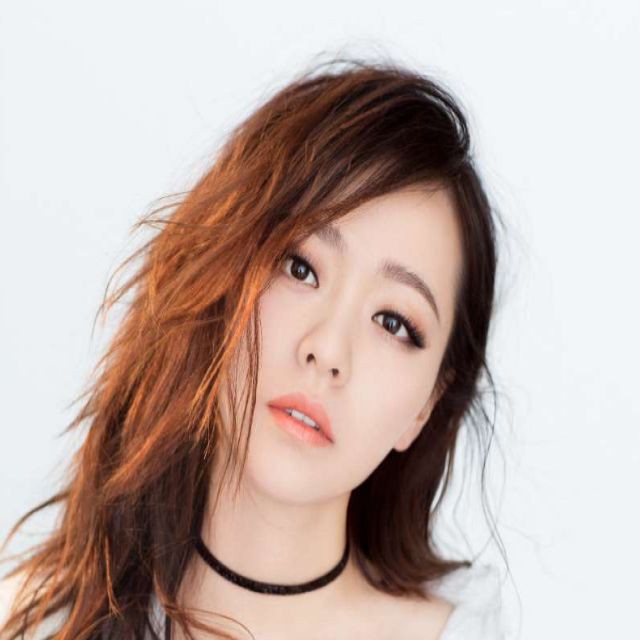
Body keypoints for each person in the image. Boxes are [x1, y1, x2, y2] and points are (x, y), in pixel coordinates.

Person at [0, 56, 507, 639]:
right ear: (221, 273)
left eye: (393, 322)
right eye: (301, 267)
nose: (327, 350)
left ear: (425, 408)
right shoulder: (36, 620)